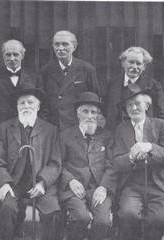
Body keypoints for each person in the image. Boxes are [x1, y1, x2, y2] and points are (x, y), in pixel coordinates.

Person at [0, 83, 63, 240]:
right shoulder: (3, 129)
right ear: (16, 106)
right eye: (22, 103)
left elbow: (55, 162)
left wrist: (43, 183)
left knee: (53, 212)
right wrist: (4, 183)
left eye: (31, 102)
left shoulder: (50, 130)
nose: (26, 106)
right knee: (6, 209)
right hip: (13, 182)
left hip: (41, 184)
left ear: (39, 106)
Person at [113, 84, 164, 240]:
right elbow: (116, 162)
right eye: (129, 105)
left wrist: (150, 147)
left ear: (147, 105)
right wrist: (130, 156)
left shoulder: (160, 125)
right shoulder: (121, 129)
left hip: (159, 184)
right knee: (128, 215)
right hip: (132, 185)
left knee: (159, 219)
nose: (133, 107)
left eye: (137, 103)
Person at [59, 92, 117, 240]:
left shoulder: (107, 136)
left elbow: (112, 165)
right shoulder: (65, 135)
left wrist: (104, 186)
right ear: (78, 114)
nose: (89, 116)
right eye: (85, 111)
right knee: (80, 218)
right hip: (74, 189)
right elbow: (58, 163)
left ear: (98, 115)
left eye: (93, 112)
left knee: (103, 221)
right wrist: (70, 180)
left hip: (99, 188)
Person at [40, 30, 100, 131]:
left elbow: (94, 99)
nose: (60, 48)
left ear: (74, 47)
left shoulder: (86, 69)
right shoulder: (46, 70)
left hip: (78, 127)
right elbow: (43, 103)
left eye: (65, 44)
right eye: (57, 44)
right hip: (54, 127)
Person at [104, 46, 164, 132]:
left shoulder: (153, 86)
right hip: (115, 135)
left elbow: (163, 116)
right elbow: (105, 109)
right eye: (131, 62)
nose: (134, 67)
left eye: (138, 63)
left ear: (144, 66)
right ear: (123, 63)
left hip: (143, 136)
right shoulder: (112, 84)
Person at [0, 39, 47, 130]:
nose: (12, 58)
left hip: (29, 128)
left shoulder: (34, 77)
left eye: (16, 54)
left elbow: (43, 106)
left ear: (22, 55)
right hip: (3, 130)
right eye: (8, 55)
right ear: (3, 56)